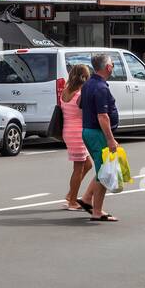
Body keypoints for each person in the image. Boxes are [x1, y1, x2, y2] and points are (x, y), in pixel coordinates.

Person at [79, 52, 122, 222]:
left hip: (88, 130)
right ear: (108, 67)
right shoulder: (101, 88)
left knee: (101, 169)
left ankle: (87, 199)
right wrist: (110, 139)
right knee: (105, 172)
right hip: (97, 133)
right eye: (112, 64)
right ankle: (97, 211)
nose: (113, 67)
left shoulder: (89, 84)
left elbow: (80, 104)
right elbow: (102, 116)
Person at [58, 63, 93, 212]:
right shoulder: (79, 95)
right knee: (78, 168)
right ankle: (72, 201)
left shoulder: (65, 92)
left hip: (68, 131)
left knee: (88, 164)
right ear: (84, 77)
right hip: (77, 133)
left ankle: (70, 194)